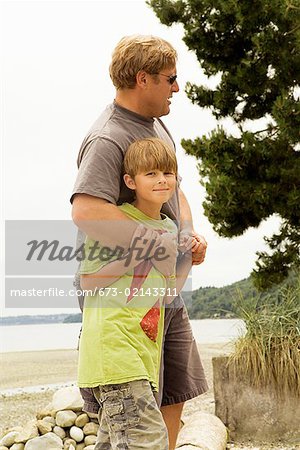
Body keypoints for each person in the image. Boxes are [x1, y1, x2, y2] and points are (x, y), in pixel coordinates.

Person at [71, 35, 208, 449]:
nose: (177, 88)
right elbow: (87, 210)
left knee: (172, 394)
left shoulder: (156, 126)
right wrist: (158, 244)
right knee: (134, 419)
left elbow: (174, 190)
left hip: (161, 291)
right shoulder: (108, 137)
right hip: (121, 302)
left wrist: (186, 236)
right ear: (142, 78)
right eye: (171, 79)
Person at [78, 138, 197, 449]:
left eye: (168, 173)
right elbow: (88, 281)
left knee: (120, 441)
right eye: (152, 174)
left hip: (142, 352)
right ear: (130, 181)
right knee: (148, 440)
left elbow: (169, 289)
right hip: (115, 350)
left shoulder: (170, 227)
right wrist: (141, 252)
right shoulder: (115, 221)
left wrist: (190, 259)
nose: (162, 180)